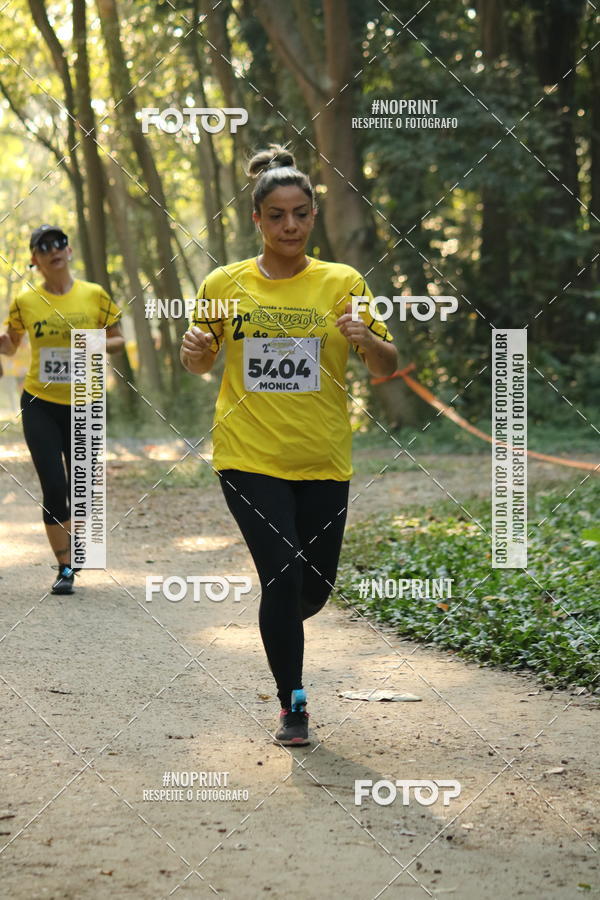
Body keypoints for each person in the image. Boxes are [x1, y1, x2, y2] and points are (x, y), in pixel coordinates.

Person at [180, 145, 398, 746]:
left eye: (300, 213)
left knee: (313, 587)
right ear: (256, 218)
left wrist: (366, 338)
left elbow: (385, 365)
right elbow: (198, 359)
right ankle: (292, 702)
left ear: (313, 215)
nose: (290, 226)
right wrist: (195, 352)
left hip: (323, 457)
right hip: (248, 457)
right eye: (276, 215)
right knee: (282, 573)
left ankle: (279, 627)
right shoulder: (224, 283)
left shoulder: (342, 283)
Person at [0, 225, 125, 595]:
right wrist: (3, 342)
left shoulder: (95, 295)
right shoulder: (25, 301)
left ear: (69, 252)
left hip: (86, 402)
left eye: (59, 243)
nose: (53, 249)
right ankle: (65, 567)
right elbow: (10, 347)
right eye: (43, 246)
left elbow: (119, 338)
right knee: (55, 487)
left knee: (82, 488)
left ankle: (81, 547)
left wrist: (94, 341)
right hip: (40, 403)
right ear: (34, 260)